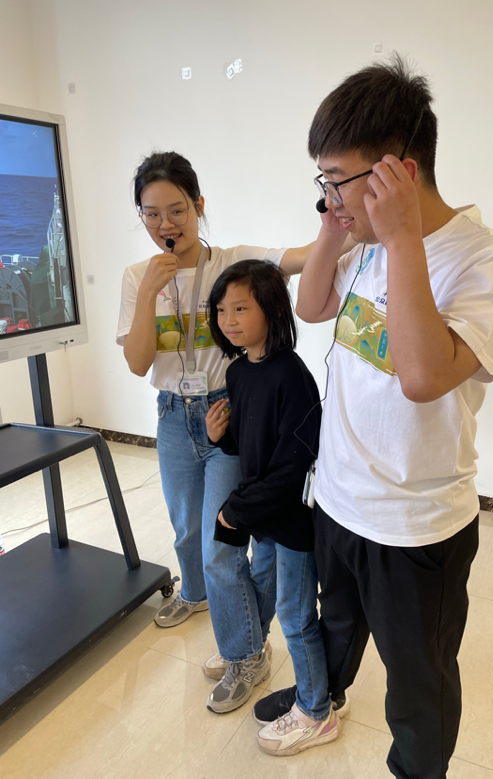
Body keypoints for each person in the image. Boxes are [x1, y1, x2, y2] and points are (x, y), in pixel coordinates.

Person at [254, 56, 493, 778]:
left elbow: (423, 376)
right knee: (337, 624)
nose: (329, 198)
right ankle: (321, 701)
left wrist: (403, 238)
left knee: (418, 680)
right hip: (338, 498)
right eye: (322, 182)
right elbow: (313, 306)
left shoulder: (488, 259)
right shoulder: (362, 243)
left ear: (398, 174)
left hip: (415, 525)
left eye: (337, 181)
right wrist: (335, 227)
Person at [116, 152, 334, 682]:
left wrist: (346, 222)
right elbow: (138, 362)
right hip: (173, 414)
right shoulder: (137, 276)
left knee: (222, 541)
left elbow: (302, 257)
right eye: (151, 214)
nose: (166, 224)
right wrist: (147, 293)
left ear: (199, 205)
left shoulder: (231, 263)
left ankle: (244, 651)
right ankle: (195, 595)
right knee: (186, 529)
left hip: (226, 408)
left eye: (177, 210)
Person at [204, 260, 339, 754]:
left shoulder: (293, 377)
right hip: (264, 517)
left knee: (295, 614)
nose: (229, 320)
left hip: (292, 520)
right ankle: (252, 653)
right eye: (221, 310)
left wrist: (236, 509)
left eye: (241, 308)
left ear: (275, 310)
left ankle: (317, 710)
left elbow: (293, 464)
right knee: (264, 584)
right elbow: (250, 446)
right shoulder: (239, 372)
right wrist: (220, 438)